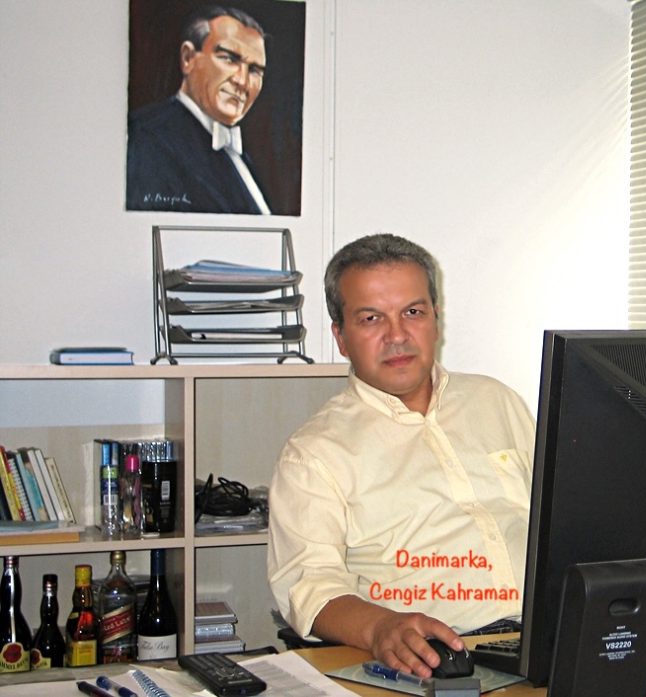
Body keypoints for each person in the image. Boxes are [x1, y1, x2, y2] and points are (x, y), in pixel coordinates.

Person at [267, 234, 535, 678]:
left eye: (413, 312)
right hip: (434, 659)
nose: (397, 336)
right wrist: (380, 628)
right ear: (341, 337)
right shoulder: (314, 452)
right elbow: (308, 585)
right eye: (371, 318)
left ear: (436, 320)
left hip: (547, 641)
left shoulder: (497, 401)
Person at [126, 5, 273, 214]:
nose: (243, 82)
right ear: (188, 58)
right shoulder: (145, 137)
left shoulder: (238, 155)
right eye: (229, 59)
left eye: (255, 70)